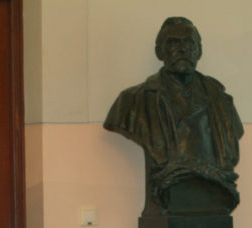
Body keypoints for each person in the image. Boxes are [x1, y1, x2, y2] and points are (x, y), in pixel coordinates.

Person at [104, 17, 244, 217]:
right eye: (174, 42)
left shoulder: (222, 102)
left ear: (199, 51)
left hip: (214, 198)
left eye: (189, 43)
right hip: (166, 201)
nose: (183, 49)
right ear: (159, 51)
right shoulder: (133, 101)